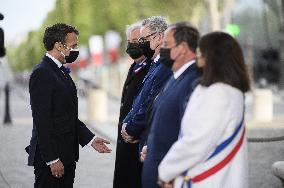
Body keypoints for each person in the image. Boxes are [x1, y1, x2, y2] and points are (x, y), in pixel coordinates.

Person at [158, 32, 250, 188]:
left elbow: (196, 142)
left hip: (208, 180)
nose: (197, 54)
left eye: (201, 51)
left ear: (215, 56)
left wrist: (165, 172)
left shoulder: (219, 94)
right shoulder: (225, 91)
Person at [25, 23, 111, 188]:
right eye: (73, 45)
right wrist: (52, 159)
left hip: (66, 156)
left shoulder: (59, 70)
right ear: (58, 45)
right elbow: (42, 121)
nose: (75, 50)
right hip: (53, 160)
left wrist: (90, 139)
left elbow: (67, 116)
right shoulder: (42, 73)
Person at [141, 22, 200, 188]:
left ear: (182, 48)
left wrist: (173, 173)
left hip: (169, 177)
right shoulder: (176, 76)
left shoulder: (193, 81)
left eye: (166, 44)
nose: (162, 48)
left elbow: (189, 136)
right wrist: (149, 147)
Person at [121, 16, 172, 151]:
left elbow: (149, 103)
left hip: (150, 142)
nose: (141, 43)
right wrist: (126, 123)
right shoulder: (154, 64)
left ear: (160, 37)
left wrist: (131, 129)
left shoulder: (164, 66)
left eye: (144, 39)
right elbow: (140, 99)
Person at [113, 22, 151, 188]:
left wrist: (134, 130)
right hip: (125, 141)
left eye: (136, 40)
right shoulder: (134, 66)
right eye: (130, 41)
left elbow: (146, 104)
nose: (132, 45)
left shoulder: (150, 67)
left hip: (136, 142)